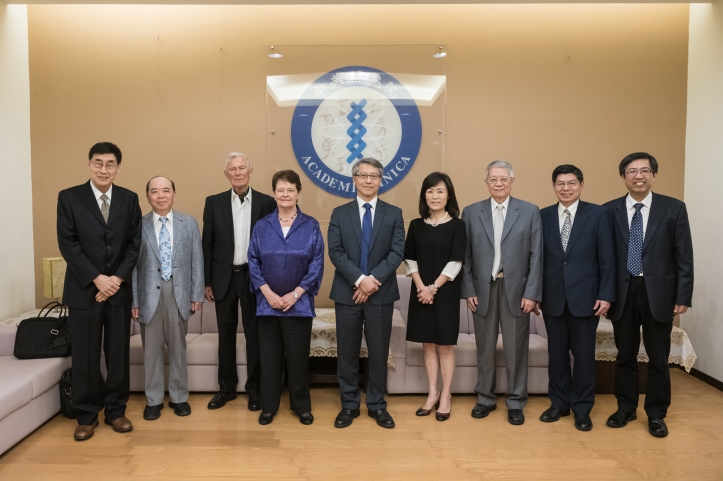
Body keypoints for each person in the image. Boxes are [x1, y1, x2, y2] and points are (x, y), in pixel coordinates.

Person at [604, 152, 693, 438]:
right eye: (632, 171)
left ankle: (656, 414)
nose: (638, 175)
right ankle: (626, 408)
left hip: (660, 293)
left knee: (658, 358)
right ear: (623, 177)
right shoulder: (609, 210)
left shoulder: (674, 208)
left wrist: (683, 295)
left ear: (653, 175)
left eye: (644, 170)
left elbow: (684, 257)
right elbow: (603, 259)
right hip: (623, 292)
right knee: (625, 355)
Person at [56, 142, 142, 441]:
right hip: (83, 291)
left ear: (118, 168)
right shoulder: (68, 198)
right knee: (85, 355)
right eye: (98, 163)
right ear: (89, 164)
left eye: (110, 164)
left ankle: (116, 412)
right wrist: (97, 278)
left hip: (117, 290)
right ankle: (86, 415)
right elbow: (68, 243)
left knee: (118, 353)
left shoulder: (129, 199)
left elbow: (134, 245)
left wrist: (116, 279)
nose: (103, 169)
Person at [460, 160, 543, 426]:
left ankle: (516, 402)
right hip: (482, 289)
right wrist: (468, 289)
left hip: (516, 290)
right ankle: (485, 398)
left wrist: (532, 293)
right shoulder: (471, 212)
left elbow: (537, 256)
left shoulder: (529, 211)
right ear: (486, 182)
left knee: (516, 349)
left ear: (512, 181)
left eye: (503, 179)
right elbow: (465, 256)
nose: (498, 184)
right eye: (493, 179)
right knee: (484, 348)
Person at [328, 158, 405, 429]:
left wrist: (372, 281)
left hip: (381, 295)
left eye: (374, 176)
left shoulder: (394, 213)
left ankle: (377, 405)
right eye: (363, 175)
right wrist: (360, 280)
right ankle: (349, 405)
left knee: (378, 352)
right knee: (347, 353)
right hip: (347, 294)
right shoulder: (339, 213)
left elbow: (397, 253)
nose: (368, 180)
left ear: (381, 180)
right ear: (354, 180)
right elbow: (336, 252)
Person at [538, 165, 615, 431]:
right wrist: (536, 294)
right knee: (557, 355)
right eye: (560, 183)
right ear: (554, 186)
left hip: (587, 298)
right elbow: (538, 260)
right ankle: (558, 404)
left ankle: (582, 408)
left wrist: (606, 294)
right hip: (553, 298)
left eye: (571, 183)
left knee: (584, 357)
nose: (566, 188)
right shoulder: (543, 215)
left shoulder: (598, 214)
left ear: (581, 185)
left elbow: (607, 258)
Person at [248, 170, 324, 426]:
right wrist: (267, 292)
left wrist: (295, 294)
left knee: (297, 359)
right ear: (274, 194)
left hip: (299, 305)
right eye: (280, 190)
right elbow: (253, 260)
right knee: (269, 359)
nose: (285, 194)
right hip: (267, 305)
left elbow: (316, 263)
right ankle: (268, 407)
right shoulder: (262, 226)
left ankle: (301, 406)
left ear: (298, 193)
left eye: (290, 190)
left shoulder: (311, 225)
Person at [202, 153, 276, 411]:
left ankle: (254, 389)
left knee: (255, 336)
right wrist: (207, 281)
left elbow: (272, 244)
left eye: (241, 168)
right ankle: (226, 389)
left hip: (255, 279)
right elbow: (207, 244)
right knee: (226, 336)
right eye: (232, 169)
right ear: (226, 174)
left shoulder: (267, 203)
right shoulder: (213, 203)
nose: (237, 173)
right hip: (223, 278)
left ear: (250, 170)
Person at [131, 176, 204, 420]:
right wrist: (134, 300)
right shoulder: (136, 225)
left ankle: (179, 397)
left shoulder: (189, 223)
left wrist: (196, 294)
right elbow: (131, 266)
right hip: (148, 295)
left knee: (178, 349)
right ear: (147, 196)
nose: (160, 195)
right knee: (150, 351)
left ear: (174, 193)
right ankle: (153, 400)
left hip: (179, 293)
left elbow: (197, 260)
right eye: (154, 191)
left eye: (165, 190)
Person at [404, 172, 466, 421]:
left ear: (448, 194)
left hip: (445, 292)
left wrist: (433, 288)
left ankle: (446, 395)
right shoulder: (416, 225)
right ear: (424, 195)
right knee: (427, 343)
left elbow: (456, 261)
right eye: (430, 191)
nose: (435, 196)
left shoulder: (457, 225)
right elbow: (409, 258)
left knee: (444, 345)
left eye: (440, 191)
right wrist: (421, 287)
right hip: (420, 292)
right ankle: (432, 393)